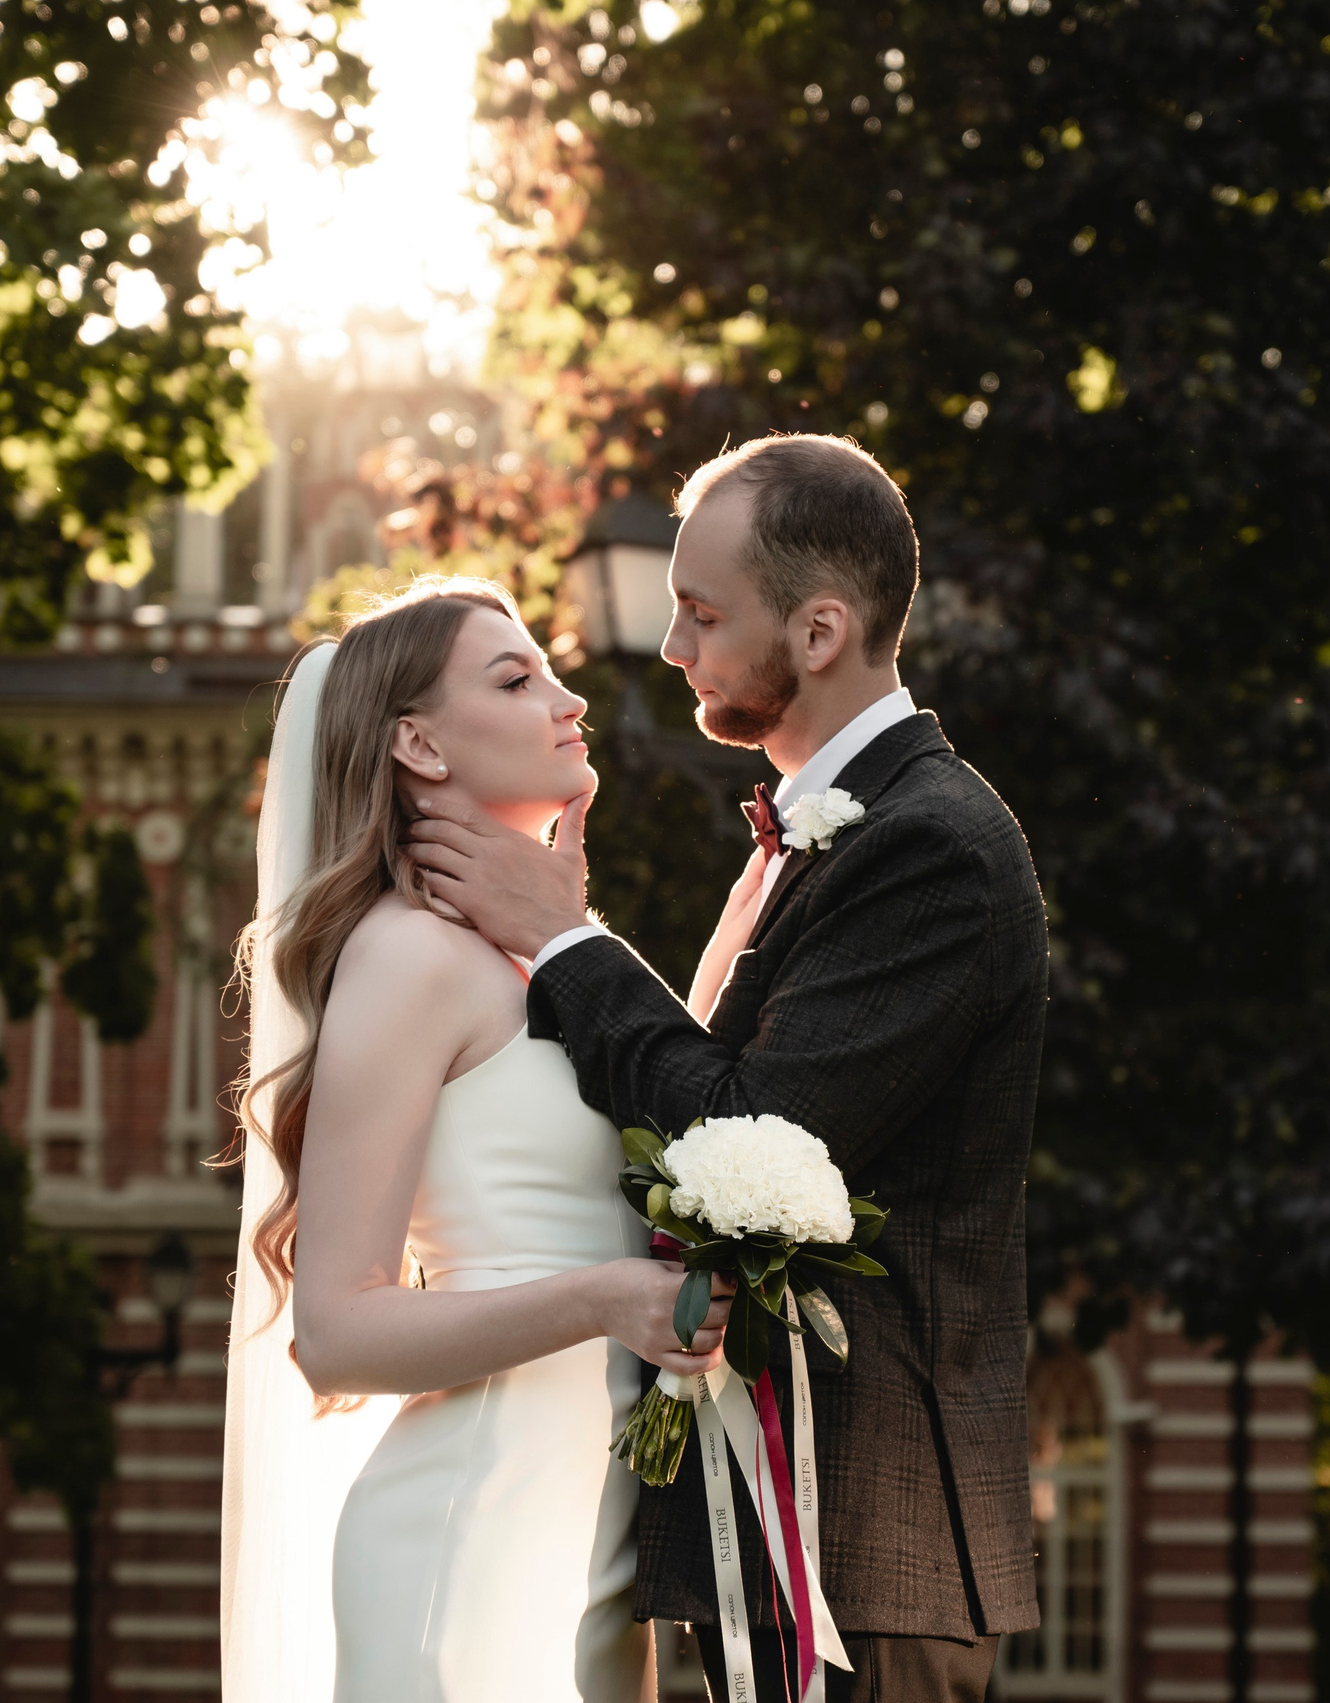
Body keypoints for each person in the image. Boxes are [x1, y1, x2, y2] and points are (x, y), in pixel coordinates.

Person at [408, 435, 1050, 1703]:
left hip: (861, 1533)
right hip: (771, 1522)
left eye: (702, 613)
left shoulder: (931, 847)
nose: (668, 646)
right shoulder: (819, 831)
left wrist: (560, 940)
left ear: (818, 631)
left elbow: (752, 1139)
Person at [225, 577, 733, 1703]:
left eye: (550, 669)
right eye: (515, 679)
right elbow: (337, 1327)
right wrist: (604, 1300)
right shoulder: (405, 955)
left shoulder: (545, 954)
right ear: (417, 742)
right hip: (472, 1524)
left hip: (590, 1528)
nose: (569, 699)